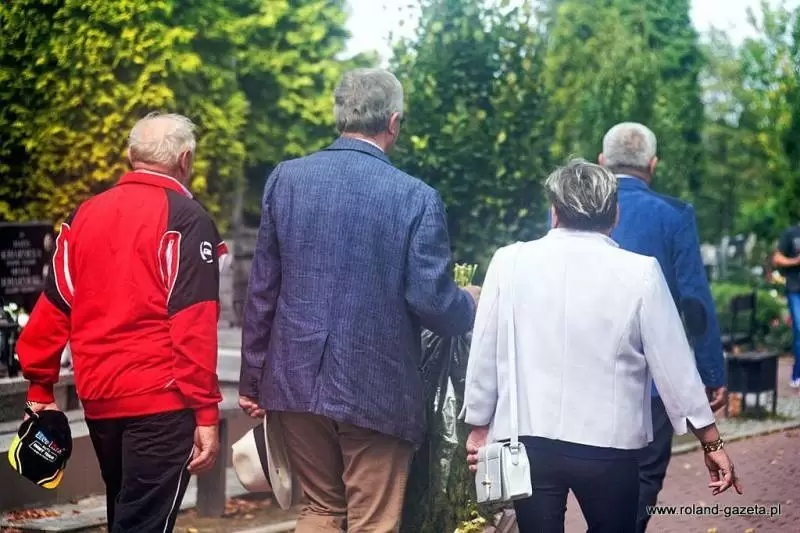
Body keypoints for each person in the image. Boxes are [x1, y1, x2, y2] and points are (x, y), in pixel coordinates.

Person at [239, 68, 478, 533]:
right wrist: (469, 303)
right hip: (377, 389)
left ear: (339, 115)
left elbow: (262, 290)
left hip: (295, 382)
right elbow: (432, 301)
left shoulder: (286, 180)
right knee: (374, 521)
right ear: (393, 122)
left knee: (319, 509)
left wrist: (253, 379)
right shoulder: (416, 198)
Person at [463, 160, 743, 533]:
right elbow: (673, 363)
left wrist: (479, 425)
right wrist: (710, 442)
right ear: (614, 215)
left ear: (555, 212)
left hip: (529, 441)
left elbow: (485, 349)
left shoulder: (508, 262)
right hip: (610, 446)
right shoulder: (641, 272)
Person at [17, 112, 226, 533]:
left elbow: (55, 304)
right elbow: (194, 323)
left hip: (99, 400)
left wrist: (40, 388)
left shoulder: (85, 214)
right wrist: (206, 412)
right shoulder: (188, 219)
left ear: (132, 156)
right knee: (143, 523)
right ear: (185, 160)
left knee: (126, 516)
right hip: (162, 400)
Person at [597, 123, 728, 532]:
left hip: (586, 372)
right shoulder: (674, 215)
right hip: (650, 379)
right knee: (643, 481)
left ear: (602, 162)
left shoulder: (573, 211)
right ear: (652, 165)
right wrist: (711, 372)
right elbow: (693, 299)